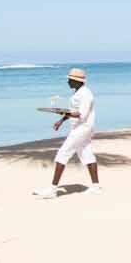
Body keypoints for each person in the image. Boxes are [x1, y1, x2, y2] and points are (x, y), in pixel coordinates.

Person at [35, 66, 100, 198]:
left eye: (70, 79)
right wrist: (61, 120)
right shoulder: (78, 93)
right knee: (87, 154)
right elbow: (72, 111)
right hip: (81, 128)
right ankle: (96, 187)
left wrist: (61, 112)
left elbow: (81, 114)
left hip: (82, 128)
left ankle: (53, 190)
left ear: (77, 81)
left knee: (62, 154)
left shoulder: (85, 94)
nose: (68, 82)